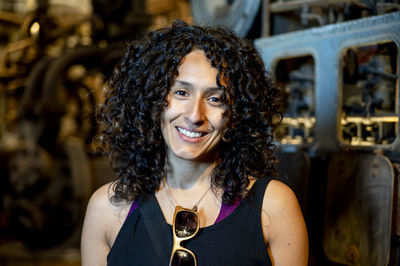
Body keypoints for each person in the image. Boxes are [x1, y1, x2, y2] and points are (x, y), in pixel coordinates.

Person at [81, 20, 308, 266]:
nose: (194, 115)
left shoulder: (274, 207)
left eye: (215, 98)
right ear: (152, 100)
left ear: (236, 114)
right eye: (181, 92)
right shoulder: (107, 209)